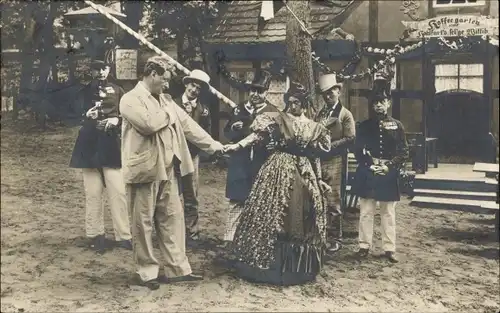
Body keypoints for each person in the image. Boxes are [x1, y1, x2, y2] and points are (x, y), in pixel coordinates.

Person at [120, 56, 225, 290]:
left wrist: (214, 145)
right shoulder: (129, 99)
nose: (167, 86)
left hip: (169, 169)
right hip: (144, 169)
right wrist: (170, 112)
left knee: (173, 218)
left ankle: (177, 269)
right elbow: (148, 123)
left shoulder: (166, 100)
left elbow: (189, 126)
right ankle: (146, 272)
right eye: (165, 80)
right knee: (143, 221)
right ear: (153, 74)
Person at [224, 82, 332, 286]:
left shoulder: (313, 126)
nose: (292, 107)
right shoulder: (276, 119)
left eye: (297, 103)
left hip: (303, 170)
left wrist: (318, 179)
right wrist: (236, 146)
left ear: (304, 104)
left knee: (302, 214)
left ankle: (296, 269)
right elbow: (256, 137)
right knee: (272, 212)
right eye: (289, 102)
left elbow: (315, 154)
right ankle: (267, 264)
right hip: (278, 167)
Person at [69, 59, 132, 254]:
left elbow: (128, 115)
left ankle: (124, 235)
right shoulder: (84, 90)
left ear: (109, 70)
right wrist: (84, 115)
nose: (101, 72)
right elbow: (72, 113)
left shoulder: (118, 90)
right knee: (93, 192)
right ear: (92, 71)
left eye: (104, 69)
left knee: (118, 191)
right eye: (97, 69)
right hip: (89, 144)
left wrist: (117, 120)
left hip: (110, 143)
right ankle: (95, 234)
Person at [351, 87, 409, 263]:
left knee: (388, 212)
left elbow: (404, 151)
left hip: (388, 173)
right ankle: (364, 246)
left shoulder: (397, 126)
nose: (378, 106)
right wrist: (370, 166)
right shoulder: (364, 126)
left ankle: (389, 248)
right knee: (366, 211)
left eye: (382, 102)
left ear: (388, 104)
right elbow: (357, 150)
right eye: (375, 103)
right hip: (369, 172)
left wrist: (389, 167)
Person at [222, 69, 280, 244]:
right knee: (236, 199)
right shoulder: (239, 109)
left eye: (260, 91)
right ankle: (230, 237)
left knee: (260, 200)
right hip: (240, 162)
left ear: (266, 92)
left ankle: (255, 239)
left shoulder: (273, 112)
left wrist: (273, 143)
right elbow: (227, 133)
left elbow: (277, 137)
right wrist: (233, 129)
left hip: (260, 162)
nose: (255, 94)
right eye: (252, 90)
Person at [315, 73, 356, 253]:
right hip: (319, 160)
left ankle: (335, 237)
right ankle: (321, 235)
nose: (328, 95)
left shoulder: (345, 115)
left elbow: (351, 138)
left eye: (331, 91)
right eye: (325, 93)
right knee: (319, 197)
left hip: (336, 159)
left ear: (338, 91)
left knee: (333, 200)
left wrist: (330, 146)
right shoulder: (320, 113)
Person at [174, 69, 212, 241]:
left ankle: (192, 230)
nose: (194, 90)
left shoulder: (203, 110)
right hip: (172, 156)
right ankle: (172, 231)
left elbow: (205, 133)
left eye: (198, 88)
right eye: (192, 85)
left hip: (191, 156)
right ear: (186, 84)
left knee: (191, 193)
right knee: (171, 193)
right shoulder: (172, 104)